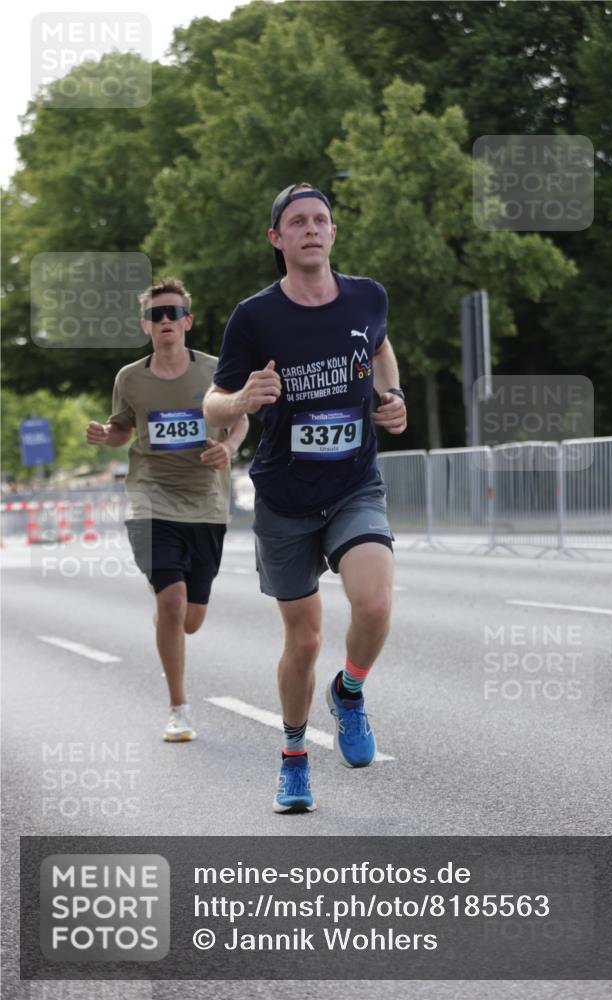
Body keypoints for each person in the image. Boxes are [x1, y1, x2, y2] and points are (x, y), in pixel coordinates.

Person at [204, 183, 407, 813]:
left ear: (333, 233)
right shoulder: (255, 317)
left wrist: (389, 398)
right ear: (278, 238)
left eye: (321, 220)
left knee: (372, 604)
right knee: (306, 640)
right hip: (285, 497)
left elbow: (378, 345)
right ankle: (294, 758)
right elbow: (212, 401)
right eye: (297, 222)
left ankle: (349, 692)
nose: (311, 229)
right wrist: (241, 401)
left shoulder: (368, 295)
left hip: (353, 484)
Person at [86, 277, 249, 742]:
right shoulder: (130, 378)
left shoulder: (217, 372)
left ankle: (168, 614)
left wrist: (230, 449)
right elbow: (122, 430)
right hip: (149, 498)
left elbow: (240, 419)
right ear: (146, 325)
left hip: (205, 503)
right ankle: (179, 708)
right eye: (156, 315)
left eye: (173, 313)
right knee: (172, 599)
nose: (165, 322)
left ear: (187, 321)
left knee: (189, 619)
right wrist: (106, 434)